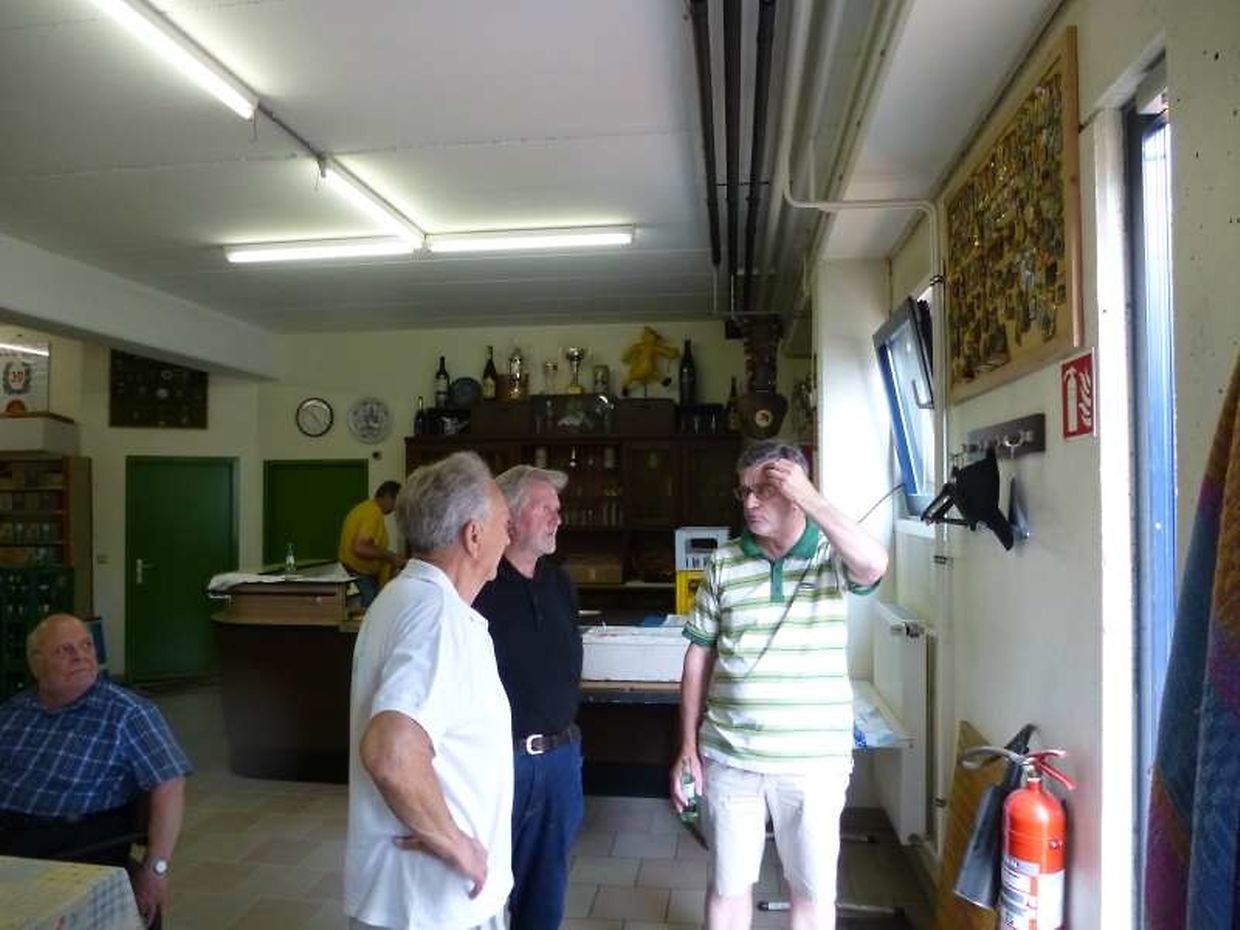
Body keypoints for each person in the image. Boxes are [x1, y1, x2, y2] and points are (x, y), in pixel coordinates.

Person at [671, 440, 889, 930]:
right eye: (744, 491)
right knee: (727, 887)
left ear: (796, 492)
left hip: (813, 761)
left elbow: (874, 564)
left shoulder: (830, 553)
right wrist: (687, 747)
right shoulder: (724, 562)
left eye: (765, 491)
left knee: (811, 894)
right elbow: (698, 653)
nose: (749, 503)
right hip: (730, 756)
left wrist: (811, 498)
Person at [345, 451, 514, 930]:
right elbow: (392, 752)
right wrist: (456, 844)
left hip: (409, 897)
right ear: (474, 536)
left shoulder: (401, 596)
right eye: (504, 525)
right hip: (436, 904)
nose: (509, 537)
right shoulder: (438, 617)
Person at [0, 614, 192, 927]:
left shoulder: (127, 712)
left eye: (86, 645)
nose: (80, 656)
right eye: (64, 650)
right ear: (36, 664)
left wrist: (156, 869)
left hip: (75, 843)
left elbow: (170, 783)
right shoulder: (13, 712)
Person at [474, 465, 583, 930]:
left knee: (545, 893)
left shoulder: (560, 584)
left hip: (560, 760)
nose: (558, 519)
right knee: (481, 893)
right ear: (510, 517)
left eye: (558, 509)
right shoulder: (477, 586)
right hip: (496, 762)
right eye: (545, 509)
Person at [338, 480, 406, 607]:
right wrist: (390, 556)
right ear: (387, 496)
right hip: (359, 573)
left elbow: (369, 545)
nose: (395, 508)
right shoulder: (372, 513)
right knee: (371, 608)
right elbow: (360, 547)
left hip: (356, 572)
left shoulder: (365, 509)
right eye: (396, 503)